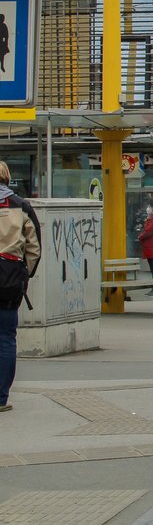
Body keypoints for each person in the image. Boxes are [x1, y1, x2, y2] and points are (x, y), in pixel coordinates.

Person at [0, 161, 41, 413]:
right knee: (5, 337)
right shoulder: (20, 205)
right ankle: (1, 397)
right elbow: (34, 248)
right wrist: (26, 275)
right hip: (9, 278)